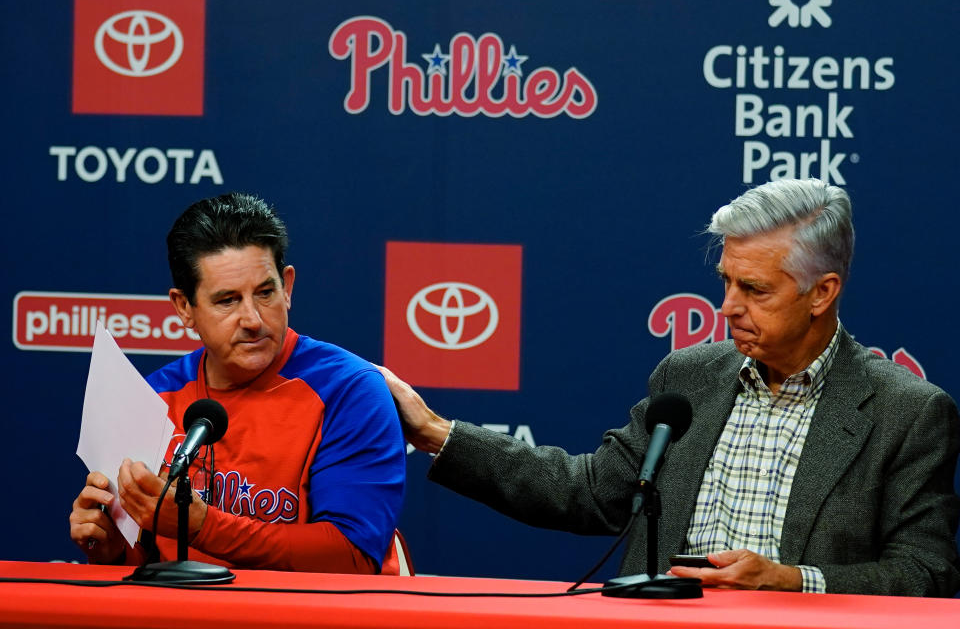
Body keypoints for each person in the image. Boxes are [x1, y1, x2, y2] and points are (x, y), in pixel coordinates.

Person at [381, 178, 960, 596]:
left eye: (755, 290)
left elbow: (924, 573)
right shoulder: (688, 377)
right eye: (725, 282)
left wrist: (789, 579)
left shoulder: (906, 412)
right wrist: (435, 432)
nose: (728, 307)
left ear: (822, 292)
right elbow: (590, 491)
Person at [69, 193, 405, 574]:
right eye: (227, 300)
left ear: (288, 286)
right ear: (184, 308)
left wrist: (201, 525)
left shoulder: (350, 391)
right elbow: (149, 564)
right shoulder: (154, 397)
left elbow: (351, 558)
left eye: (265, 293)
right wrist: (112, 550)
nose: (253, 319)